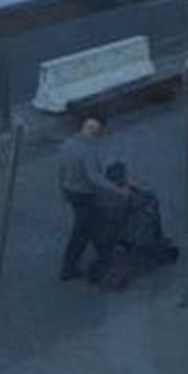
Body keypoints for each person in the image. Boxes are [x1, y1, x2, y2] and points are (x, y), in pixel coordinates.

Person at [58, 115, 132, 283]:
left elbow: (61, 171)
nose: (93, 132)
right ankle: (100, 263)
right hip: (85, 194)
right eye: (91, 128)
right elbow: (94, 177)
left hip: (71, 191)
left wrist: (62, 192)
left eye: (95, 129)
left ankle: (79, 265)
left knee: (87, 228)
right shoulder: (87, 150)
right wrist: (118, 190)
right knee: (89, 230)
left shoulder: (67, 144)